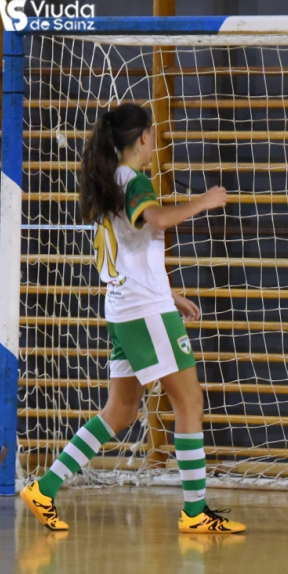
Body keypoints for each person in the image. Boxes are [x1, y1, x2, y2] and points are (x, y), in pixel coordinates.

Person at [20, 103, 245, 534]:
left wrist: (169, 293)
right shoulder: (133, 181)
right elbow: (157, 218)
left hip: (125, 308)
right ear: (142, 137)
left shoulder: (108, 182)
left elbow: (129, 251)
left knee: (120, 411)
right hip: (144, 311)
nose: (154, 141)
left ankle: (44, 488)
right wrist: (205, 201)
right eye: (153, 134)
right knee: (189, 401)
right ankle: (195, 511)